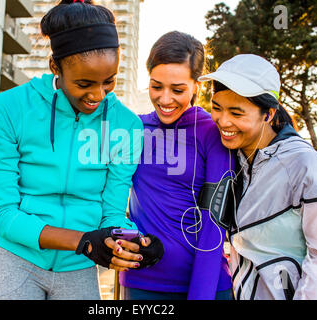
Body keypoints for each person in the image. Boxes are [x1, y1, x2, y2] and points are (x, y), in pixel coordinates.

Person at [0, 0, 162, 300]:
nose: (97, 95)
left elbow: (112, 213)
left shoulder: (126, 126)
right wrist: (82, 241)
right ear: (55, 66)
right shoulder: (7, 109)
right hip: (17, 260)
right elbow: (3, 214)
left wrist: (132, 241)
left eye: (109, 82)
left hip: (78, 267)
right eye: (84, 83)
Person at [198, 54, 317, 300]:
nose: (223, 121)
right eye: (216, 108)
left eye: (236, 113)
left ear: (268, 114)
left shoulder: (306, 166)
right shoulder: (231, 158)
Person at [120, 31, 234, 300]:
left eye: (178, 89)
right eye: (156, 86)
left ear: (197, 86)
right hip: (141, 282)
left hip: (205, 287)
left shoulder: (213, 132)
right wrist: (126, 232)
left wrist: (201, 295)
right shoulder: (135, 128)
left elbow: (214, 223)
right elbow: (108, 196)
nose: (165, 99)